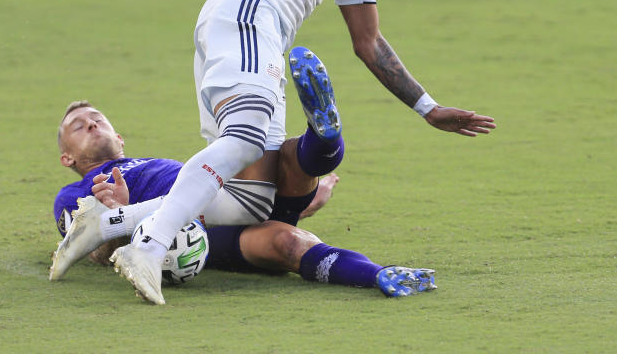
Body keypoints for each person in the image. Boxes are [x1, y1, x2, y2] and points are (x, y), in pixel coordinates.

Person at [117, 0, 496, 305]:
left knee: (251, 200)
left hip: (260, 31)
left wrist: (428, 108)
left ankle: (105, 223)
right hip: (250, 11)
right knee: (248, 137)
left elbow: (369, 43)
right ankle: (148, 244)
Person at [50, 50, 436, 297]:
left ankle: (323, 135)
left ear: (118, 137)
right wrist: (121, 219)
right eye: (78, 126)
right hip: (199, 234)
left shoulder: (151, 163)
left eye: (96, 119)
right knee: (287, 242)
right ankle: (378, 276)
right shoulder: (74, 194)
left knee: (280, 163)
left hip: (232, 196)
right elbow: (94, 252)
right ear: (67, 157)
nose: (90, 124)